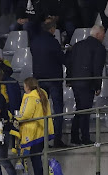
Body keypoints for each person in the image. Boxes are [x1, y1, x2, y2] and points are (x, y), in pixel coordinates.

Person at [66, 26, 107, 145]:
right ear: (98, 34)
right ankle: (84, 137)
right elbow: (97, 68)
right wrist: (98, 86)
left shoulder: (78, 45)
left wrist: (69, 79)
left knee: (80, 109)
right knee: (85, 111)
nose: (104, 36)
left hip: (75, 82)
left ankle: (75, 136)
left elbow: (70, 63)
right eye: (103, 34)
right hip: (88, 82)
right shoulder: (99, 47)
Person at [30, 20, 66, 148]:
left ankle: (41, 141)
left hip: (39, 80)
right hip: (54, 80)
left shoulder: (34, 42)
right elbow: (62, 59)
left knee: (41, 111)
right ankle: (57, 139)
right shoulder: (53, 42)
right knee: (57, 110)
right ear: (52, 29)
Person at [17, 78, 55, 175]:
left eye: (24, 85)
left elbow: (26, 114)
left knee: (35, 158)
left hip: (34, 133)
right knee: (38, 156)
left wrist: (16, 118)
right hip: (44, 131)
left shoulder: (30, 97)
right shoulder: (42, 94)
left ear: (27, 86)